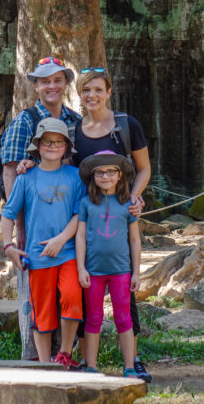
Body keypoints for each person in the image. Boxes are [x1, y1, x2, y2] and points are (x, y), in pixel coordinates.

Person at [72, 67, 152, 382]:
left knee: (124, 297)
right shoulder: (73, 129)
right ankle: (84, 360)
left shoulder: (126, 125)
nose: (91, 96)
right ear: (79, 95)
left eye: (97, 89)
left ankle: (132, 360)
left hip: (120, 211)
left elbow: (143, 169)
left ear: (108, 92)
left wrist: (132, 198)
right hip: (84, 211)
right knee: (83, 291)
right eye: (85, 90)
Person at [0, 56, 81, 360]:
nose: (52, 86)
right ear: (36, 85)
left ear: (65, 84)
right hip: (32, 227)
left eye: (57, 80)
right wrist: (19, 228)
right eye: (45, 80)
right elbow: (10, 172)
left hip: (69, 225)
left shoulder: (74, 121)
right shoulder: (25, 120)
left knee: (71, 296)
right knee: (35, 301)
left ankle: (67, 355)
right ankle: (35, 360)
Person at [76, 151, 142, 378]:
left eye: (111, 171)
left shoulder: (128, 205)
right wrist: (81, 268)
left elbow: (134, 239)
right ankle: (92, 367)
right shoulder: (86, 203)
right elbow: (81, 237)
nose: (106, 176)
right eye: (100, 172)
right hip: (93, 272)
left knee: (124, 317)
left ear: (120, 175)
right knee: (93, 318)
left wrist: (136, 273)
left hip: (121, 271)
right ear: (93, 177)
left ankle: (129, 367)